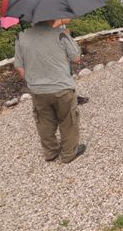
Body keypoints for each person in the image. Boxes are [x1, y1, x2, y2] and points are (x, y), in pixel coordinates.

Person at [13, 19, 87, 163]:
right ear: (51, 17)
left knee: (44, 122)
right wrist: (68, 36)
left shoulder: (21, 37)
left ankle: (50, 152)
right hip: (62, 88)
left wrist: (34, 82)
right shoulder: (60, 35)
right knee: (68, 120)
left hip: (38, 90)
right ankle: (69, 153)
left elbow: (20, 68)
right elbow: (76, 58)